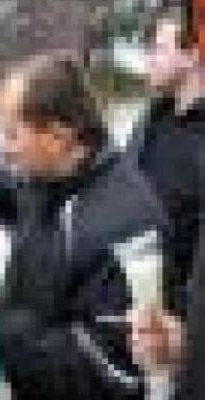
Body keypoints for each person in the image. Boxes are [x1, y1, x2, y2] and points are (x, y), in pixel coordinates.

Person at [0, 50, 178, 399]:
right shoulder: (55, 179)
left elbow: (108, 371)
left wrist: (0, 325)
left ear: (59, 135)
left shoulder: (125, 227)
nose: (4, 149)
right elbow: (18, 200)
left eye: (12, 135)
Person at [125, 2, 205, 398]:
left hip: (187, 351)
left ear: (192, 55)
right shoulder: (149, 121)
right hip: (136, 330)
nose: (148, 58)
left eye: (158, 47)